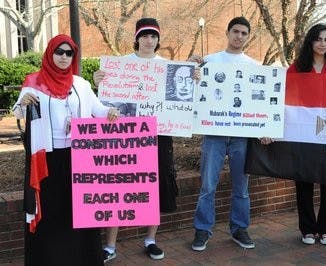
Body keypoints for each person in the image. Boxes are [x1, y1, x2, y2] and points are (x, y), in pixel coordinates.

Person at [12, 34, 119, 266]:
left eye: (68, 53)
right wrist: (23, 102)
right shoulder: (33, 82)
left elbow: (98, 110)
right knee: (51, 212)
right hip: (47, 159)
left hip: (79, 156)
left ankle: (82, 258)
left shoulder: (80, 84)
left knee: (80, 210)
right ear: (50, 54)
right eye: (59, 52)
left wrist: (110, 112)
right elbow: (18, 112)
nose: (63, 57)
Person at [93, 18, 178, 261]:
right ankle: (110, 245)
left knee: (155, 185)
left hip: (159, 134)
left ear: (158, 40)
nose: (149, 40)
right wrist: (99, 83)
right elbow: (106, 104)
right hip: (127, 135)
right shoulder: (120, 66)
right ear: (137, 38)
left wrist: (191, 81)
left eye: (153, 36)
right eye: (145, 35)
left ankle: (151, 239)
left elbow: (179, 103)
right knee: (120, 185)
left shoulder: (168, 66)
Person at [189, 16, 272, 252]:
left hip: (241, 136)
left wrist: (265, 129)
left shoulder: (255, 66)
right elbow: (193, 89)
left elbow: (262, 103)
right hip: (214, 133)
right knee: (207, 185)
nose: (239, 36)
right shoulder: (209, 61)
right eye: (235, 31)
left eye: (244, 33)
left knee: (241, 187)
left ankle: (239, 228)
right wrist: (190, 69)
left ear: (248, 36)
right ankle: (203, 230)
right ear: (227, 33)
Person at [287, 23, 326, 246]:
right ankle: (307, 228)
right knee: (304, 180)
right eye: (318, 39)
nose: (322, 44)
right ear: (310, 41)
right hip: (304, 131)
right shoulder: (298, 66)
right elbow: (285, 90)